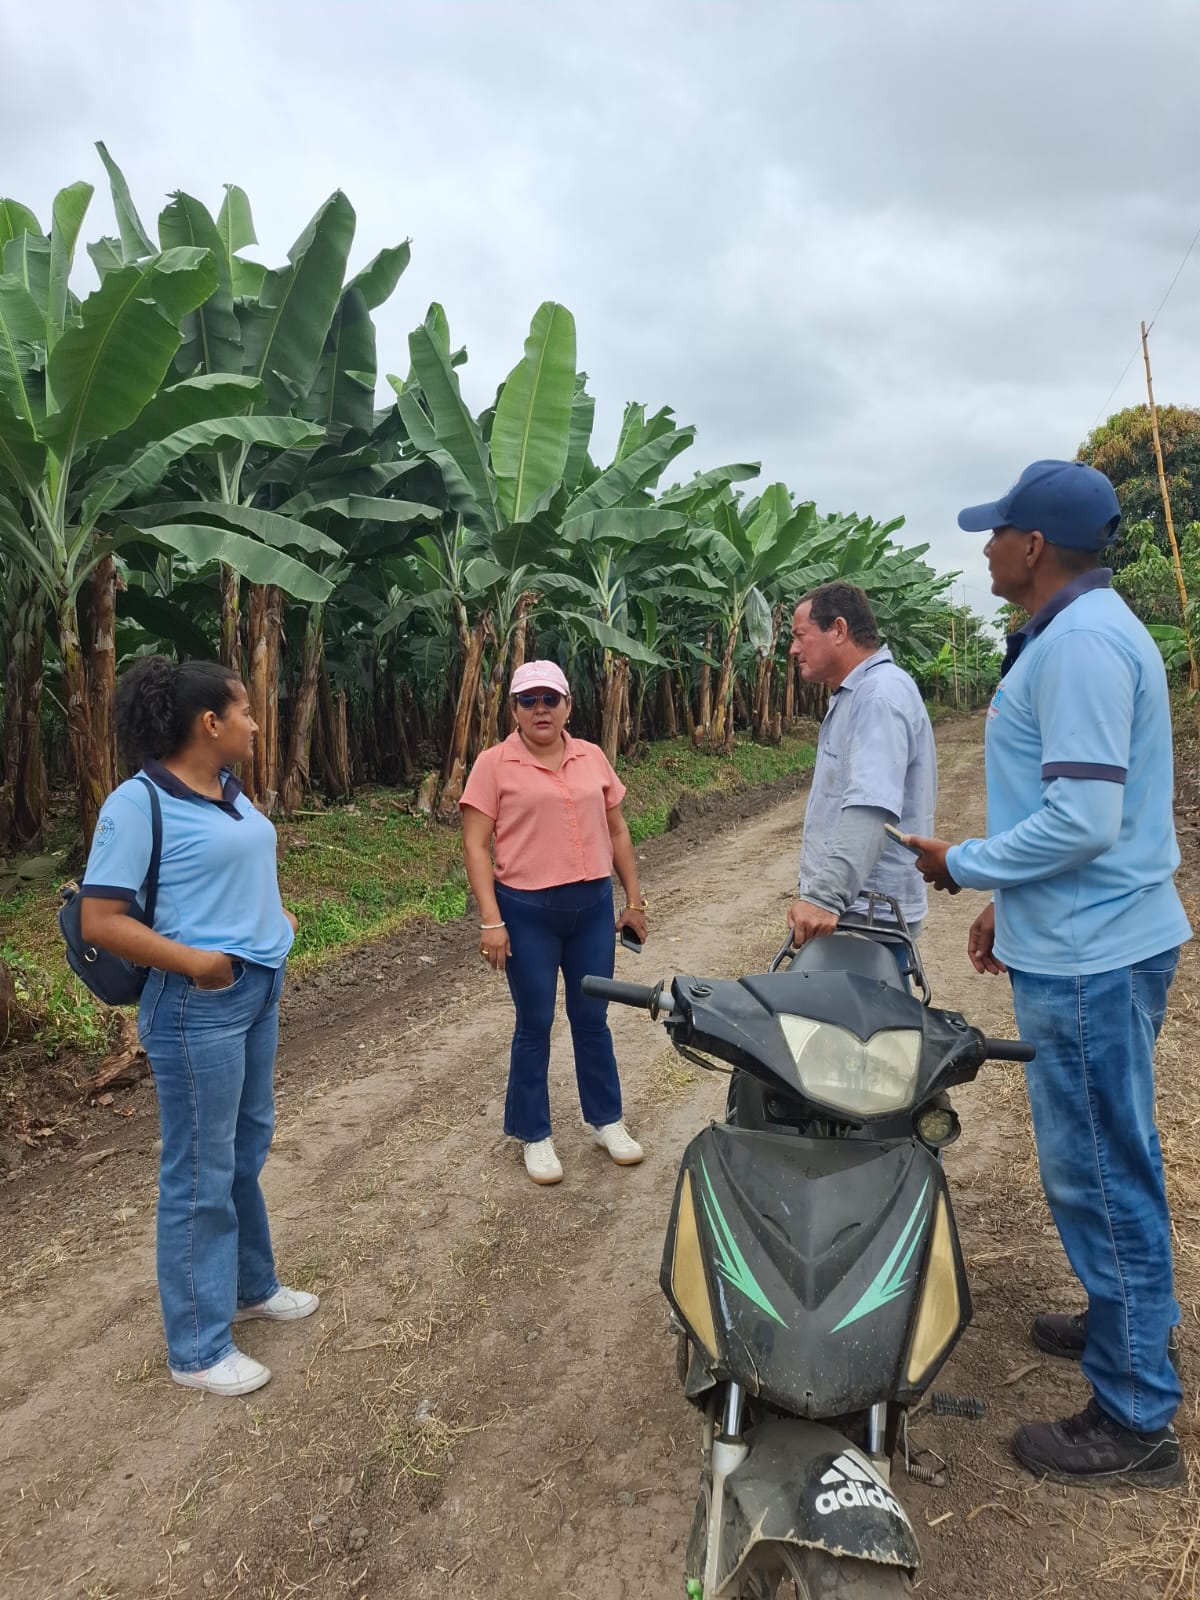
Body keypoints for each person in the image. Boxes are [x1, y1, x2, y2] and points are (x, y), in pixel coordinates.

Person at [906, 460, 1188, 1488]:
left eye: (996, 532)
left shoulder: (1080, 646)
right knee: (1112, 1155)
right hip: (1086, 929)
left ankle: (1135, 1414)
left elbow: (1083, 819)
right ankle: (1126, 1325)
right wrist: (1008, 903)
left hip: (1092, 953)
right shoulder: (1080, 632)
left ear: (1033, 547)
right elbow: (1076, 814)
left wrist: (965, 863)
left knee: (1102, 1169)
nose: (986, 547)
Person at [80, 657, 317, 1398]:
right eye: (245, 711)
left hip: (256, 990)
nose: (255, 723)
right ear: (210, 722)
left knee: (244, 1149)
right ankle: (197, 1347)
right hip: (196, 1004)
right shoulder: (137, 802)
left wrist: (272, 919)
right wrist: (197, 963)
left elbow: (232, 871)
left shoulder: (229, 791)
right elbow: (99, 919)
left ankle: (251, 1286)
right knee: (199, 1171)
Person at [460, 660, 647, 1186]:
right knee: (535, 1022)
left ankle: (606, 1120)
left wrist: (634, 900)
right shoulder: (494, 764)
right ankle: (534, 1132)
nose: (540, 709)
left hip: (591, 909)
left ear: (568, 704)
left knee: (592, 1018)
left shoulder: (592, 756)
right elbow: (475, 846)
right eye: (528, 700)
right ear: (513, 708)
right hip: (527, 913)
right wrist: (491, 922)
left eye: (550, 699)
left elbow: (618, 830)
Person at [787, 582, 936, 955]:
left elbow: (871, 808)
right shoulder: (858, 693)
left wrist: (825, 898)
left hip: (868, 920)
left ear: (838, 630)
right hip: (858, 914)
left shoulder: (878, 696)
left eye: (800, 636)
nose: (793, 649)